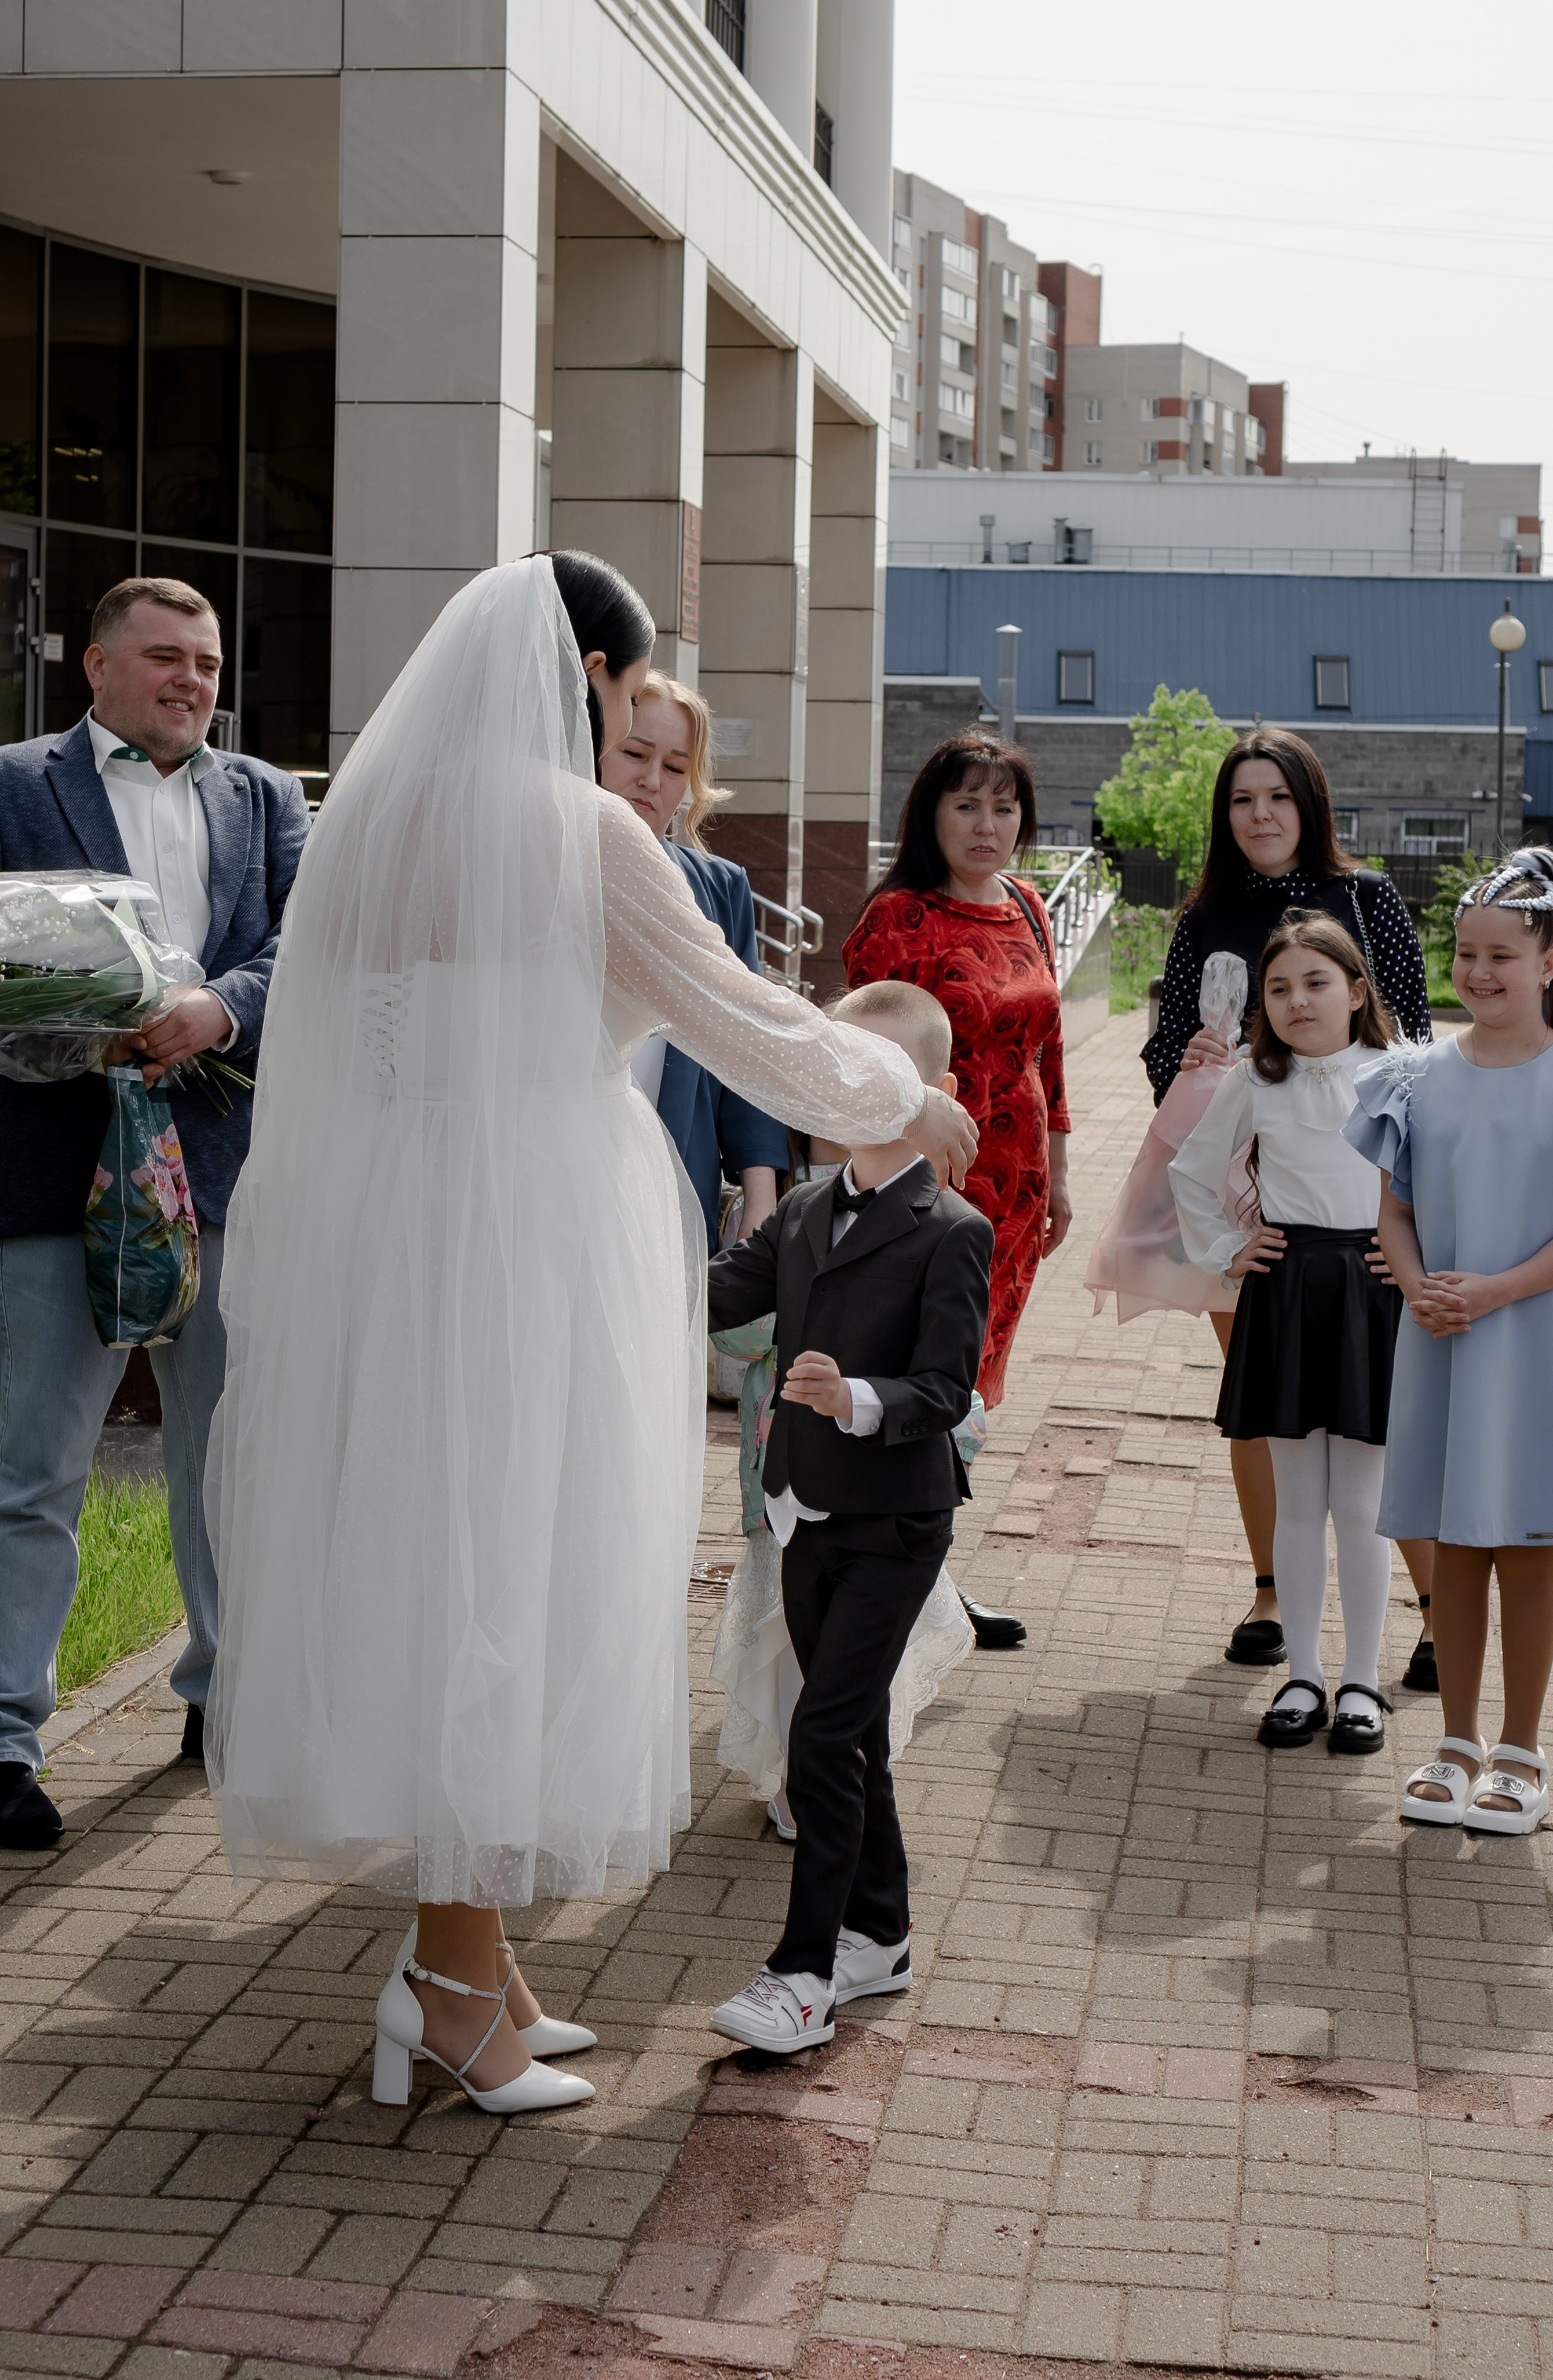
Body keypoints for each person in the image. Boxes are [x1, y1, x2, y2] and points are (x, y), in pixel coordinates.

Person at [204, 553, 977, 2118]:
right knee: (512, 1577)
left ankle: (473, 1962)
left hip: (396, 1234)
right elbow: (740, 1018)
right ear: (591, 679)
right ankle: (448, 1988)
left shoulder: (373, 819)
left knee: (439, 1564)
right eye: (628, 689)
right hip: (532, 1235)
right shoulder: (580, 832)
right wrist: (905, 1095)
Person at [0, 576, 308, 1850]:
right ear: (95, 665)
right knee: (34, 1464)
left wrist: (218, 1010)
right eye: (167, 657)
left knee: (225, 1458)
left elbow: (308, 945)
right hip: (47, 1172)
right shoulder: (14, 785)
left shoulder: (268, 798)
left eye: (209, 663)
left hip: (222, 1171)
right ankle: (7, 1738)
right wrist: (77, 1021)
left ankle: (222, 1697)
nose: (193, 681)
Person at [1343, 848, 1553, 1834]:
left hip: (1530, 1341)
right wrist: (1416, 1284)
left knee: (1524, 1542)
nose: (1479, 974)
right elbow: (1393, 1213)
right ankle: (1455, 1743)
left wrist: (1492, 1291)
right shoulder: (1416, 1078)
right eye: (1466, 955)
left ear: (1549, 964)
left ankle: (1520, 1753)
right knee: (1452, 1542)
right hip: (1440, 1334)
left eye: (1502, 957)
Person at [703, 979, 993, 2054]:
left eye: (881, 1069)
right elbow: (720, 1296)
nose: (851, 1087)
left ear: (935, 1091)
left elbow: (946, 1391)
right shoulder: (802, 1210)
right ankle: (882, 1934)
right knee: (852, 1728)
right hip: (803, 1512)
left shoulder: (952, 1230)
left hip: (895, 1521)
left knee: (821, 1735)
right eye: (838, 1064)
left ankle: (804, 1973)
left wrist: (855, 1398)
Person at [1142, 727, 1434, 1677]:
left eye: (1277, 796)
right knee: (1266, 1398)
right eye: (1241, 799)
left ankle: (1431, 1606)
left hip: (1362, 1204)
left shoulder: (1369, 899)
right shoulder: (1205, 916)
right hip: (1256, 1194)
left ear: (1310, 803)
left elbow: (1414, 1036)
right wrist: (1191, 1059)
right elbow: (1164, 1051)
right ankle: (1272, 1593)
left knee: (1377, 1413)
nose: (1260, 814)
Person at [842, 734, 1068, 1654]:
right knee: (922, 1375)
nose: (986, 825)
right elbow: (860, 1064)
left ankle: (926, 1568)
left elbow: (1050, 1051)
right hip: (928, 1189)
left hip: (1017, 1196)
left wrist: (1062, 1172)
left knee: (969, 1386)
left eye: (1004, 808)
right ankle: (900, 1575)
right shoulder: (898, 917)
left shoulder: (1027, 906)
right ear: (930, 813)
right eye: (967, 805)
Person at [1169, 915, 1403, 1754]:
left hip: (1371, 1293)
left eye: (1315, 982)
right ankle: (1302, 1676)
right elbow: (1191, 1170)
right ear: (1261, 1005)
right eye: (1278, 989)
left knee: (1363, 1504)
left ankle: (1360, 1682)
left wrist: (1417, 1258)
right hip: (1289, 1289)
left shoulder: (1402, 1074)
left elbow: (1443, 1175)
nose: (1297, 1000)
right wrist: (1229, 1249)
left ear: (1356, 991)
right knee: (1299, 1501)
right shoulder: (1254, 1080)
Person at [595, 669, 787, 1247]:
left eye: (676, 768)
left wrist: (760, 1193)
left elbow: (747, 1044)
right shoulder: (543, 872)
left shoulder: (720, 888)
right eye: (635, 754)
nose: (652, 780)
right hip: (560, 1171)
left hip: (677, 1182)